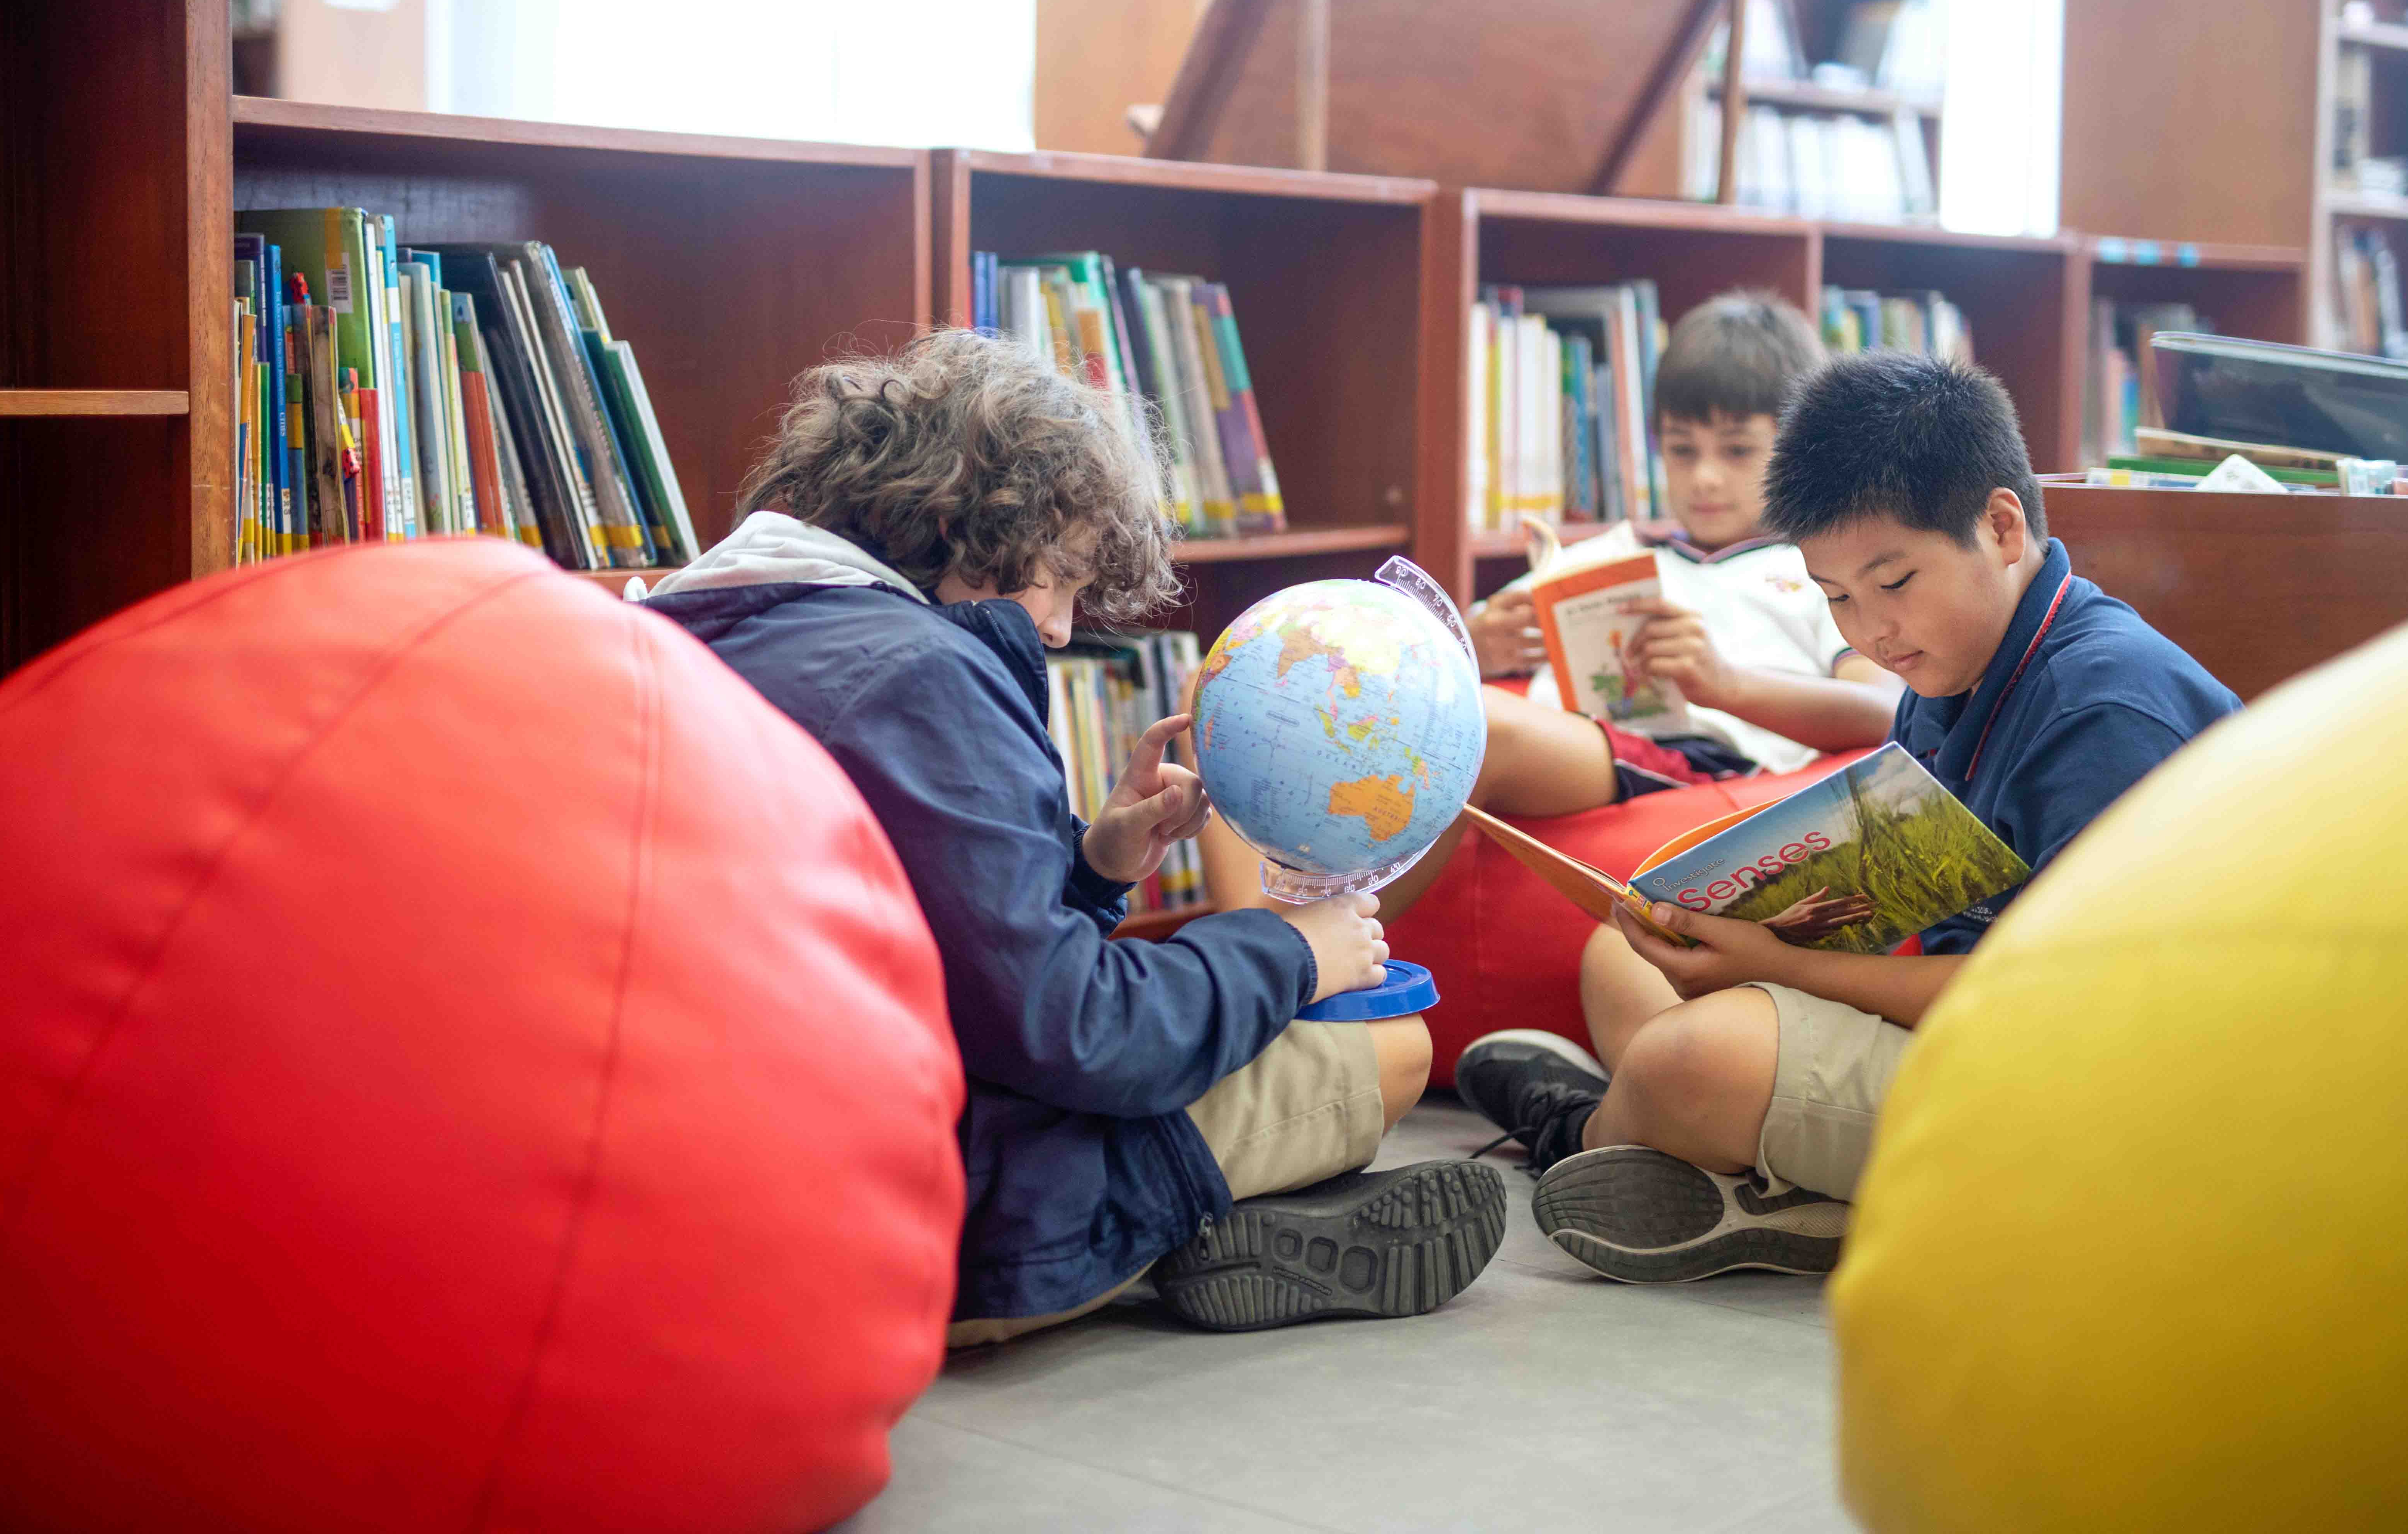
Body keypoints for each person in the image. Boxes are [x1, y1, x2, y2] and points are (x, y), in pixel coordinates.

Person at [643, 331, 1504, 1343]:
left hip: (730, 1163)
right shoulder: (920, 673)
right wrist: (1292, 951)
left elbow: (927, 943)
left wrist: (1091, 866)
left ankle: (1207, 1228)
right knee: (1388, 1048)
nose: (1057, 627)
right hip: (916, 1220)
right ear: (958, 523)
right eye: (1057, 575)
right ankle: (1170, 1241)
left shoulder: (699, 621)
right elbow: (1083, 1036)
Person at [1455, 350, 2241, 1283]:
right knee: (1624, 955)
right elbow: (1920, 910)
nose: (1869, 630)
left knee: (1688, 1062)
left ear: (2000, 526)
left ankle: (1582, 1130)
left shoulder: (2105, 706)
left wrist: (1782, 968)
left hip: (2097, 1106)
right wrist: (1753, 926)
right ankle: (1780, 1190)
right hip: (1987, 1031)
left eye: (1894, 582)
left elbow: (2054, 1001)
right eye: (1835, 598)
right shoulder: (1959, 661)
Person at [1202, 292, 1903, 921]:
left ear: (1800, 454)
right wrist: (1479, 639)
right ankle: (1250, 941)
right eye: (1683, 452)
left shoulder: (1816, 571)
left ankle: (1300, 950)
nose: (1706, 477)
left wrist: (1727, 685)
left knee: (1474, 733)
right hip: (1576, 735)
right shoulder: (1619, 555)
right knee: (1241, 671)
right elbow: (1442, 651)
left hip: (1694, 757)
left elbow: (1885, 714)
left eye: (1739, 451)